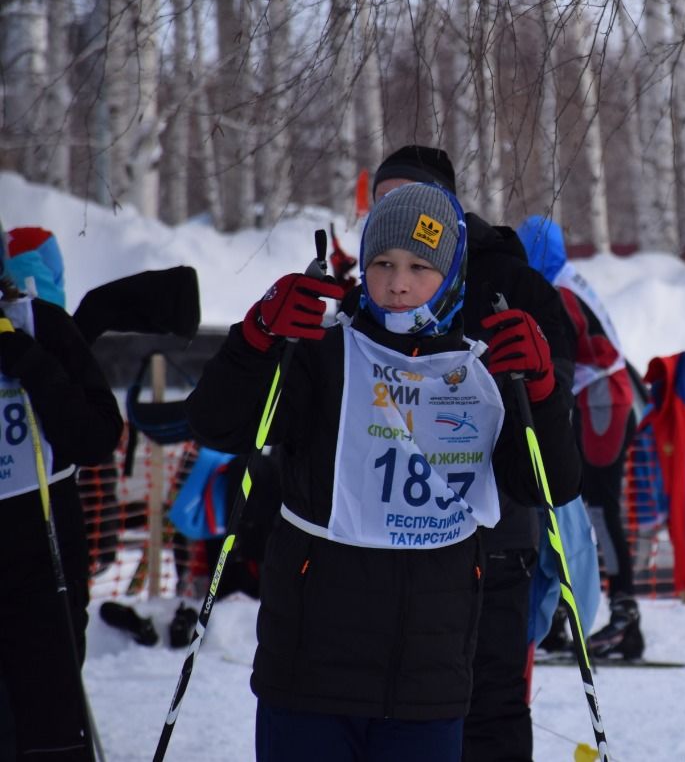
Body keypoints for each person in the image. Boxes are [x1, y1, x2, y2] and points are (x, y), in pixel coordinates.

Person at [185, 183, 580, 762]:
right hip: (310, 674)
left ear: (451, 277)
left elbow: (548, 486)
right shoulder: (320, 353)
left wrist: (542, 394)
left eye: (420, 267)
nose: (398, 284)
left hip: (429, 683)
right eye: (382, 263)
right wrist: (255, 339)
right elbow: (218, 425)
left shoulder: (481, 368)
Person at [367, 146, 578, 762]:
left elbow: (554, 401)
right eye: (381, 205)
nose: (395, 215)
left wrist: (535, 381)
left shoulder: (511, 283)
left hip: (496, 534)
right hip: (389, 535)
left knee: (488, 702)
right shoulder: (377, 283)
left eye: (409, 199)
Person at [0, 221, 124, 761]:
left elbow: (97, 437)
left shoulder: (40, 324)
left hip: (42, 564)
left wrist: (31, 364)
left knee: (45, 731)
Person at [516, 215, 644, 660]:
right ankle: (560, 615)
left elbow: (559, 360)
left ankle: (625, 616)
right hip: (602, 397)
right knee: (577, 506)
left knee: (594, 507)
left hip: (603, 401)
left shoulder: (558, 290)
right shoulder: (565, 277)